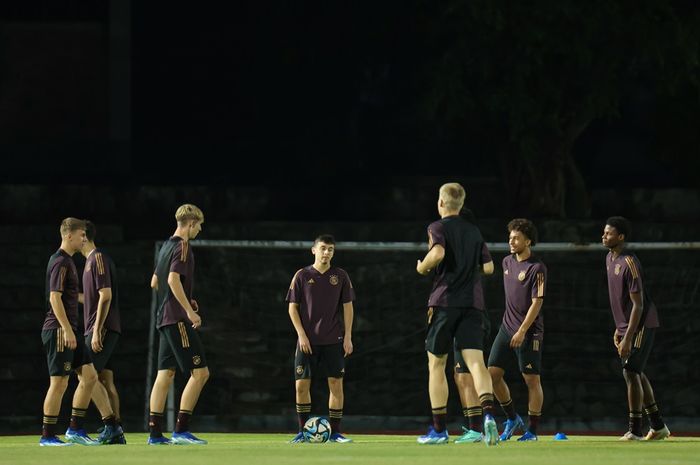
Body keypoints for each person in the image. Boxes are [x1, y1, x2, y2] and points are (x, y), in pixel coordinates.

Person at [415, 182, 499, 446]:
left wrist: (422, 267)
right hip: (473, 305)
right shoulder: (474, 231)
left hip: (445, 303)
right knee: (476, 363)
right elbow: (488, 267)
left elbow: (438, 252)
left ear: (441, 202)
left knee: (436, 364)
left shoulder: (437, 227)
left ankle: (439, 430)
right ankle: (488, 417)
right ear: (461, 205)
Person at [39, 218, 118, 446]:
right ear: (69, 235)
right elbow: (54, 298)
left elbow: (69, 296)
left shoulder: (69, 262)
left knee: (91, 376)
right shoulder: (61, 262)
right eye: (81, 235)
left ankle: (75, 429)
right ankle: (47, 435)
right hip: (59, 331)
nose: (84, 239)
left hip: (69, 330)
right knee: (59, 383)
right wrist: (66, 329)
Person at [602, 216, 670, 441]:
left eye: (609, 233)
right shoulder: (609, 259)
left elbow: (638, 305)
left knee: (630, 371)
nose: (604, 236)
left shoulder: (629, 262)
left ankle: (635, 429)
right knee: (636, 372)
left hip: (642, 322)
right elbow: (618, 301)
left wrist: (628, 337)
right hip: (627, 325)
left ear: (620, 237)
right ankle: (658, 426)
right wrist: (618, 328)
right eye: (604, 232)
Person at [148, 204, 209, 445]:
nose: (200, 229)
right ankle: (181, 430)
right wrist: (188, 310)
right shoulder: (183, 246)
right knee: (201, 372)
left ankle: (154, 434)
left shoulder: (166, 245)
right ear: (191, 223)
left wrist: (183, 297)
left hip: (163, 318)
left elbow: (155, 282)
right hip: (176, 319)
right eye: (199, 225)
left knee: (165, 374)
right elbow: (173, 279)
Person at [286, 234, 355, 443]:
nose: (327, 253)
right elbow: (292, 308)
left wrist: (348, 336)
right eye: (323, 248)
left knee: (336, 384)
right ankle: (302, 431)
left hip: (333, 339)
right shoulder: (301, 275)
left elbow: (348, 307)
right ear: (314, 250)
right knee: (301, 385)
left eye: (331, 249)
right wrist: (301, 335)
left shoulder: (340, 275)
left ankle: (335, 432)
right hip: (307, 341)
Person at [487, 219, 546, 442]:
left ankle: (532, 431)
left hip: (529, 332)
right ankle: (512, 419)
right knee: (491, 375)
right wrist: (512, 329)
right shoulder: (506, 263)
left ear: (528, 241)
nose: (511, 241)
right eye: (510, 237)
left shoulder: (537, 268)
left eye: (516, 238)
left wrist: (522, 331)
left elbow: (537, 302)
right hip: (506, 327)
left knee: (531, 380)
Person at [81, 220, 126, 444]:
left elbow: (105, 295)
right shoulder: (90, 261)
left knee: (85, 374)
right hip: (104, 327)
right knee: (105, 378)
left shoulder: (97, 258)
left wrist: (97, 330)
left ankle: (111, 426)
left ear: (83, 236)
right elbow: (92, 298)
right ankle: (115, 427)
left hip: (103, 328)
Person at [453, 207, 495, 444]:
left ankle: (477, 427)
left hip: (462, 313)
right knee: (464, 372)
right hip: (476, 312)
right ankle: (482, 422)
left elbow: (489, 268)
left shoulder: (460, 243)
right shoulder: (476, 242)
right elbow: (488, 268)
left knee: (467, 372)